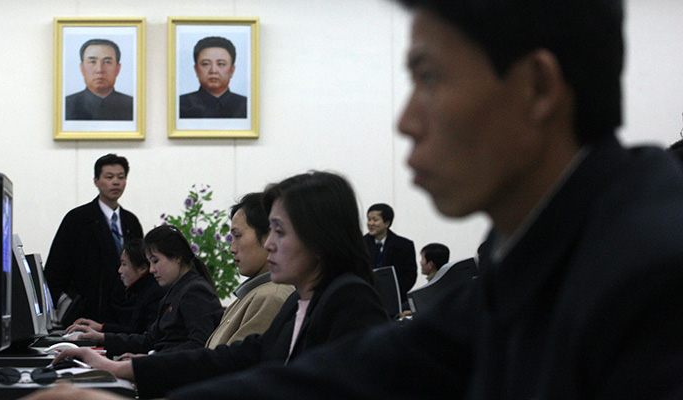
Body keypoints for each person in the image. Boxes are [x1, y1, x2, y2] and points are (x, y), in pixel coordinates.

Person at [155, 0, 683, 399]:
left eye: (428, 77)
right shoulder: (536, 247)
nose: (406, 121)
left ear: (538, 88)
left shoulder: (651, 279)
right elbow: (365, 370)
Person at [39, 171, 388, 399]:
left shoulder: (349, 300)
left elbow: (281, 384)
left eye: (279, 232)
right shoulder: (300, 303)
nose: (269, 245)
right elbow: (229, 359)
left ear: (319, 236)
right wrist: (121, 369)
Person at [44, 154, 143, 324]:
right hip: (86, 311)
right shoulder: (77, 219)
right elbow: (55, 268)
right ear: (96, 181)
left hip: (125, 311)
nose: (116, 182)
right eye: (109, 177)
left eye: (121, 177)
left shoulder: (130, 222)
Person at [98, 224, 223, 358]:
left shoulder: (195, 291)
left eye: (155, 261)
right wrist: (101, 338)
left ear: (177, 257)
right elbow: (149, 340)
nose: (151, 270)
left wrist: (151, 359)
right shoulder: (175, 290)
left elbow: (199, 345)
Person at [205, 192, 295, 348]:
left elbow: (232, 365)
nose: (232, 249)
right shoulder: (254, 293)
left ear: (269, 237)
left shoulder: (270, 297)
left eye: (238, 236)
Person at [64, 239, 167, 336]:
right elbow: (134, 331)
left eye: (124, 264)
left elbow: (143, 338)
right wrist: (101, 328)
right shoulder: (144, 292)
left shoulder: (153, 294)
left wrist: (101, 336)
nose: (120, 270)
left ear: (142, 268)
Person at [179, 36, 247, 119]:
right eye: (206, 64)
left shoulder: (246, 105)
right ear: (196, 70)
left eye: (221, 64)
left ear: (232, 70)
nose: (213, 70)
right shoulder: (180, 105)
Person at [66, 38, 133, 121]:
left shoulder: (133, 105)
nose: (100, 70)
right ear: (82, 68)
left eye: (107, 62)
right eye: (92, 62)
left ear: (118, 69)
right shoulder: (65, 105)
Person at [363, 203, 417, 303]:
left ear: (387, 223)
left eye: (375, 220)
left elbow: (410, 275)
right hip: (366, 298)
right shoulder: (360, 244)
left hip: (395, 299)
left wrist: (394, 293)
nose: (371, 223)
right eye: (369, 219)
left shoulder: (404, 245)